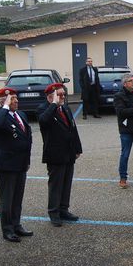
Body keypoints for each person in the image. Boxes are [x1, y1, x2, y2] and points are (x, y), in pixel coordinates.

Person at [0, 87, 34, 242]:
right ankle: (7, 229)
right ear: (3, 101)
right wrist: (5, 107)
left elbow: (27, 138)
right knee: (7, 199)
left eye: (16, 98)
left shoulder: (21, 115)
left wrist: (27, 160)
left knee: (17, 198)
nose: (16, 101)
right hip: (7, 165)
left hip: (21, 163)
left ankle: (16, 224)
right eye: (12, 99)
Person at [37, 83, 82, 226]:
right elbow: (44, 121)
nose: (63, 97)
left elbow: (72, 129)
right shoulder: (44, 109)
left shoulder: (66, 108)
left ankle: (64, 209)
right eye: (60, 95)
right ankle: (54, 212)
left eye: (64, 94)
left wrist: (77, 148)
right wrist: (54, 105)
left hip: (68, 153)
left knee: (66, 183)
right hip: (55, 154)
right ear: (51, 96)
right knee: (56, 185)